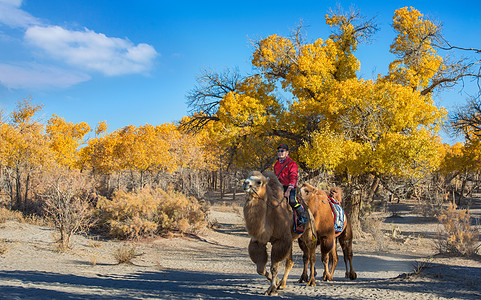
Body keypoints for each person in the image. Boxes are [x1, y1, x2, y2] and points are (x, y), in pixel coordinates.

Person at [273, 144, 308, 225]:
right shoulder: (276, 164)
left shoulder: (292, 164)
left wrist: (289, 188)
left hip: (289, 187)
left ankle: (303, 217)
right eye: (279, 151)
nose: (280, 152)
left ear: (287, 152)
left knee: (292, 201)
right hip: (279, 187)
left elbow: (293, 176)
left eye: (282, 151)